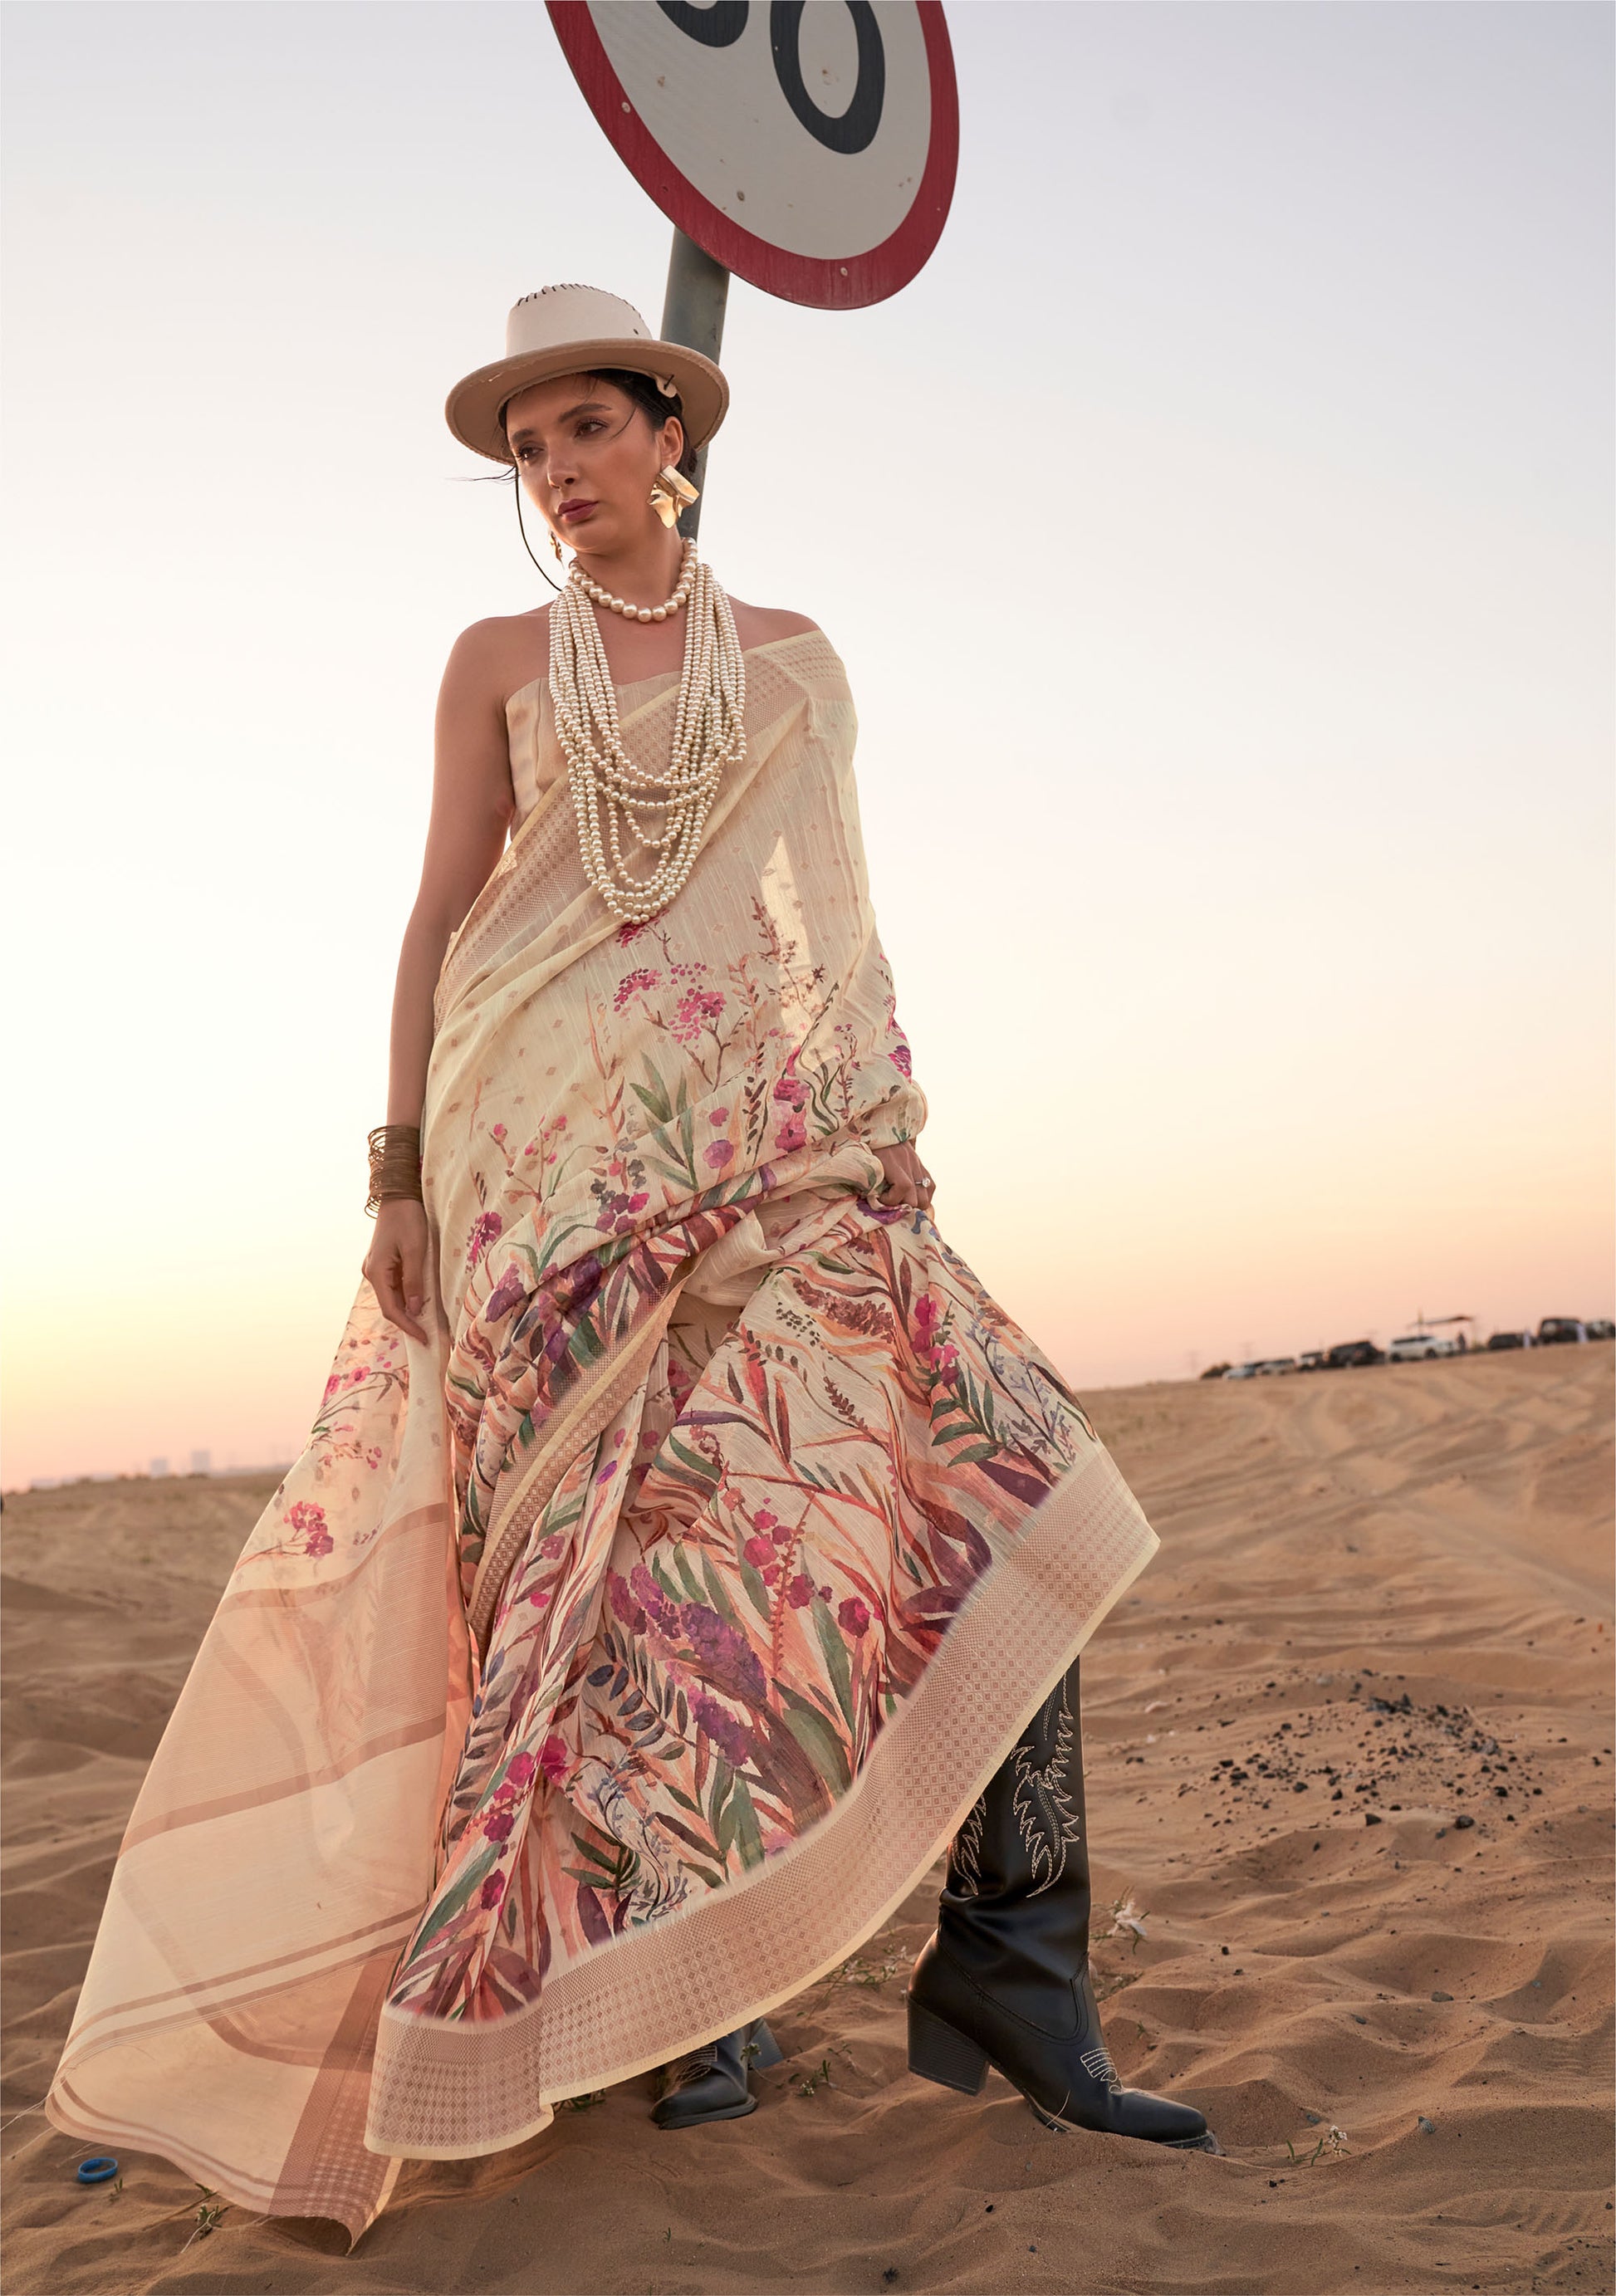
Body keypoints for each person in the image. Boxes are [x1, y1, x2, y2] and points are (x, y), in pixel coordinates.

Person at [47, 285, 1217, 2242]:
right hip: (539, 1176)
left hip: (774, 1160)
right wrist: (397, 1172)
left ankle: (1018, 1974)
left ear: (672, 436)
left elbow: (825, 921)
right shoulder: (497, 659)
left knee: (1002, 1485)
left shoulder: (797, 663)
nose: (557, 473)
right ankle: (689, 2012)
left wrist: (873, 1132)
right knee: (611, 1598)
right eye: (528, 451)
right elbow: (442, 913)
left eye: (587, 427)